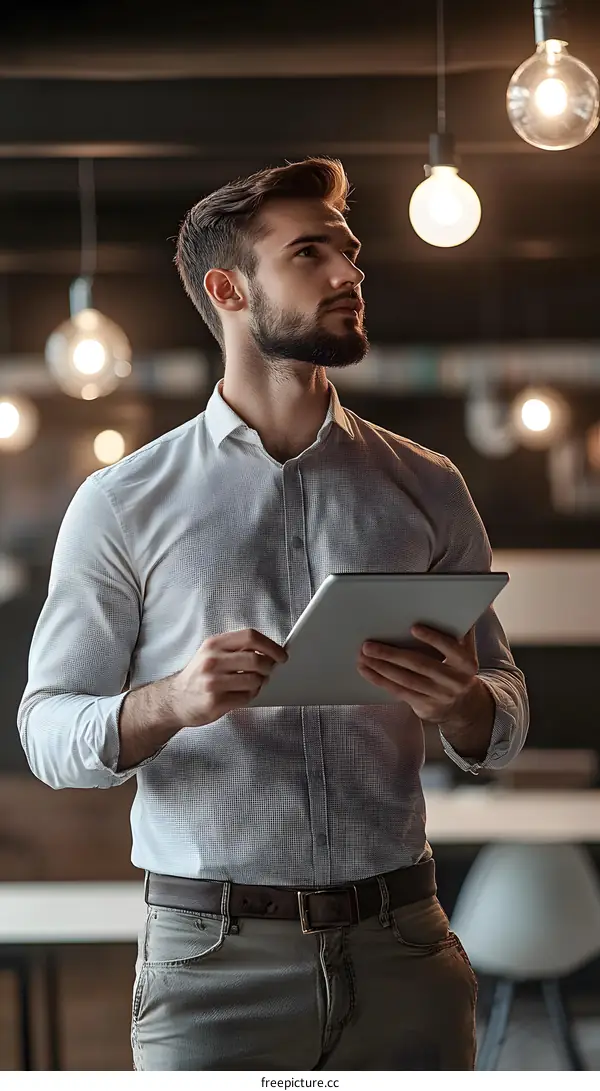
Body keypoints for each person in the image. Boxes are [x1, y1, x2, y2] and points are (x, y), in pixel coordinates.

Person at [18, 157, 528, 1072]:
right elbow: (47, 729)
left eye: (348, 250)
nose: (348, 273)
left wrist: (463, 705)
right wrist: (170, 700)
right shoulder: (123, 502)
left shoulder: (428, 486)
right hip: (213, 964)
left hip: (404, 946)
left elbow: (503, 709)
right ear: (230, 290)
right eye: (310, 254)